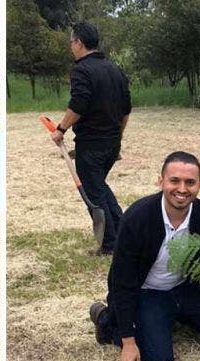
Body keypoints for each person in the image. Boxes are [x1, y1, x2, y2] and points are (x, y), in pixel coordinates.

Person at [88, 151, 200, 361]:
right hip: (147, 292)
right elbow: (121, 281)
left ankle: (170, 318)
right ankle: (106, 319)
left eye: (190, 182)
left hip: (186, 289)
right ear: (161, 181)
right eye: (174, 181)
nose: (182, 189)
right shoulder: (137, 217)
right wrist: (128, 341)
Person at [50, 22, 132, 255]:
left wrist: (61, 129)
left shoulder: (81, 70)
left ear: (79, 43)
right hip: (110, 143)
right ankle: (124, 234)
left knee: (93, 194)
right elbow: (126, 109)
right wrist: (118, 138)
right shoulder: (115, 69)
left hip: (92, 145)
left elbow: (78, 104)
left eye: (71, 42)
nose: (71, 47)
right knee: (100, 189)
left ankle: (109, 244)